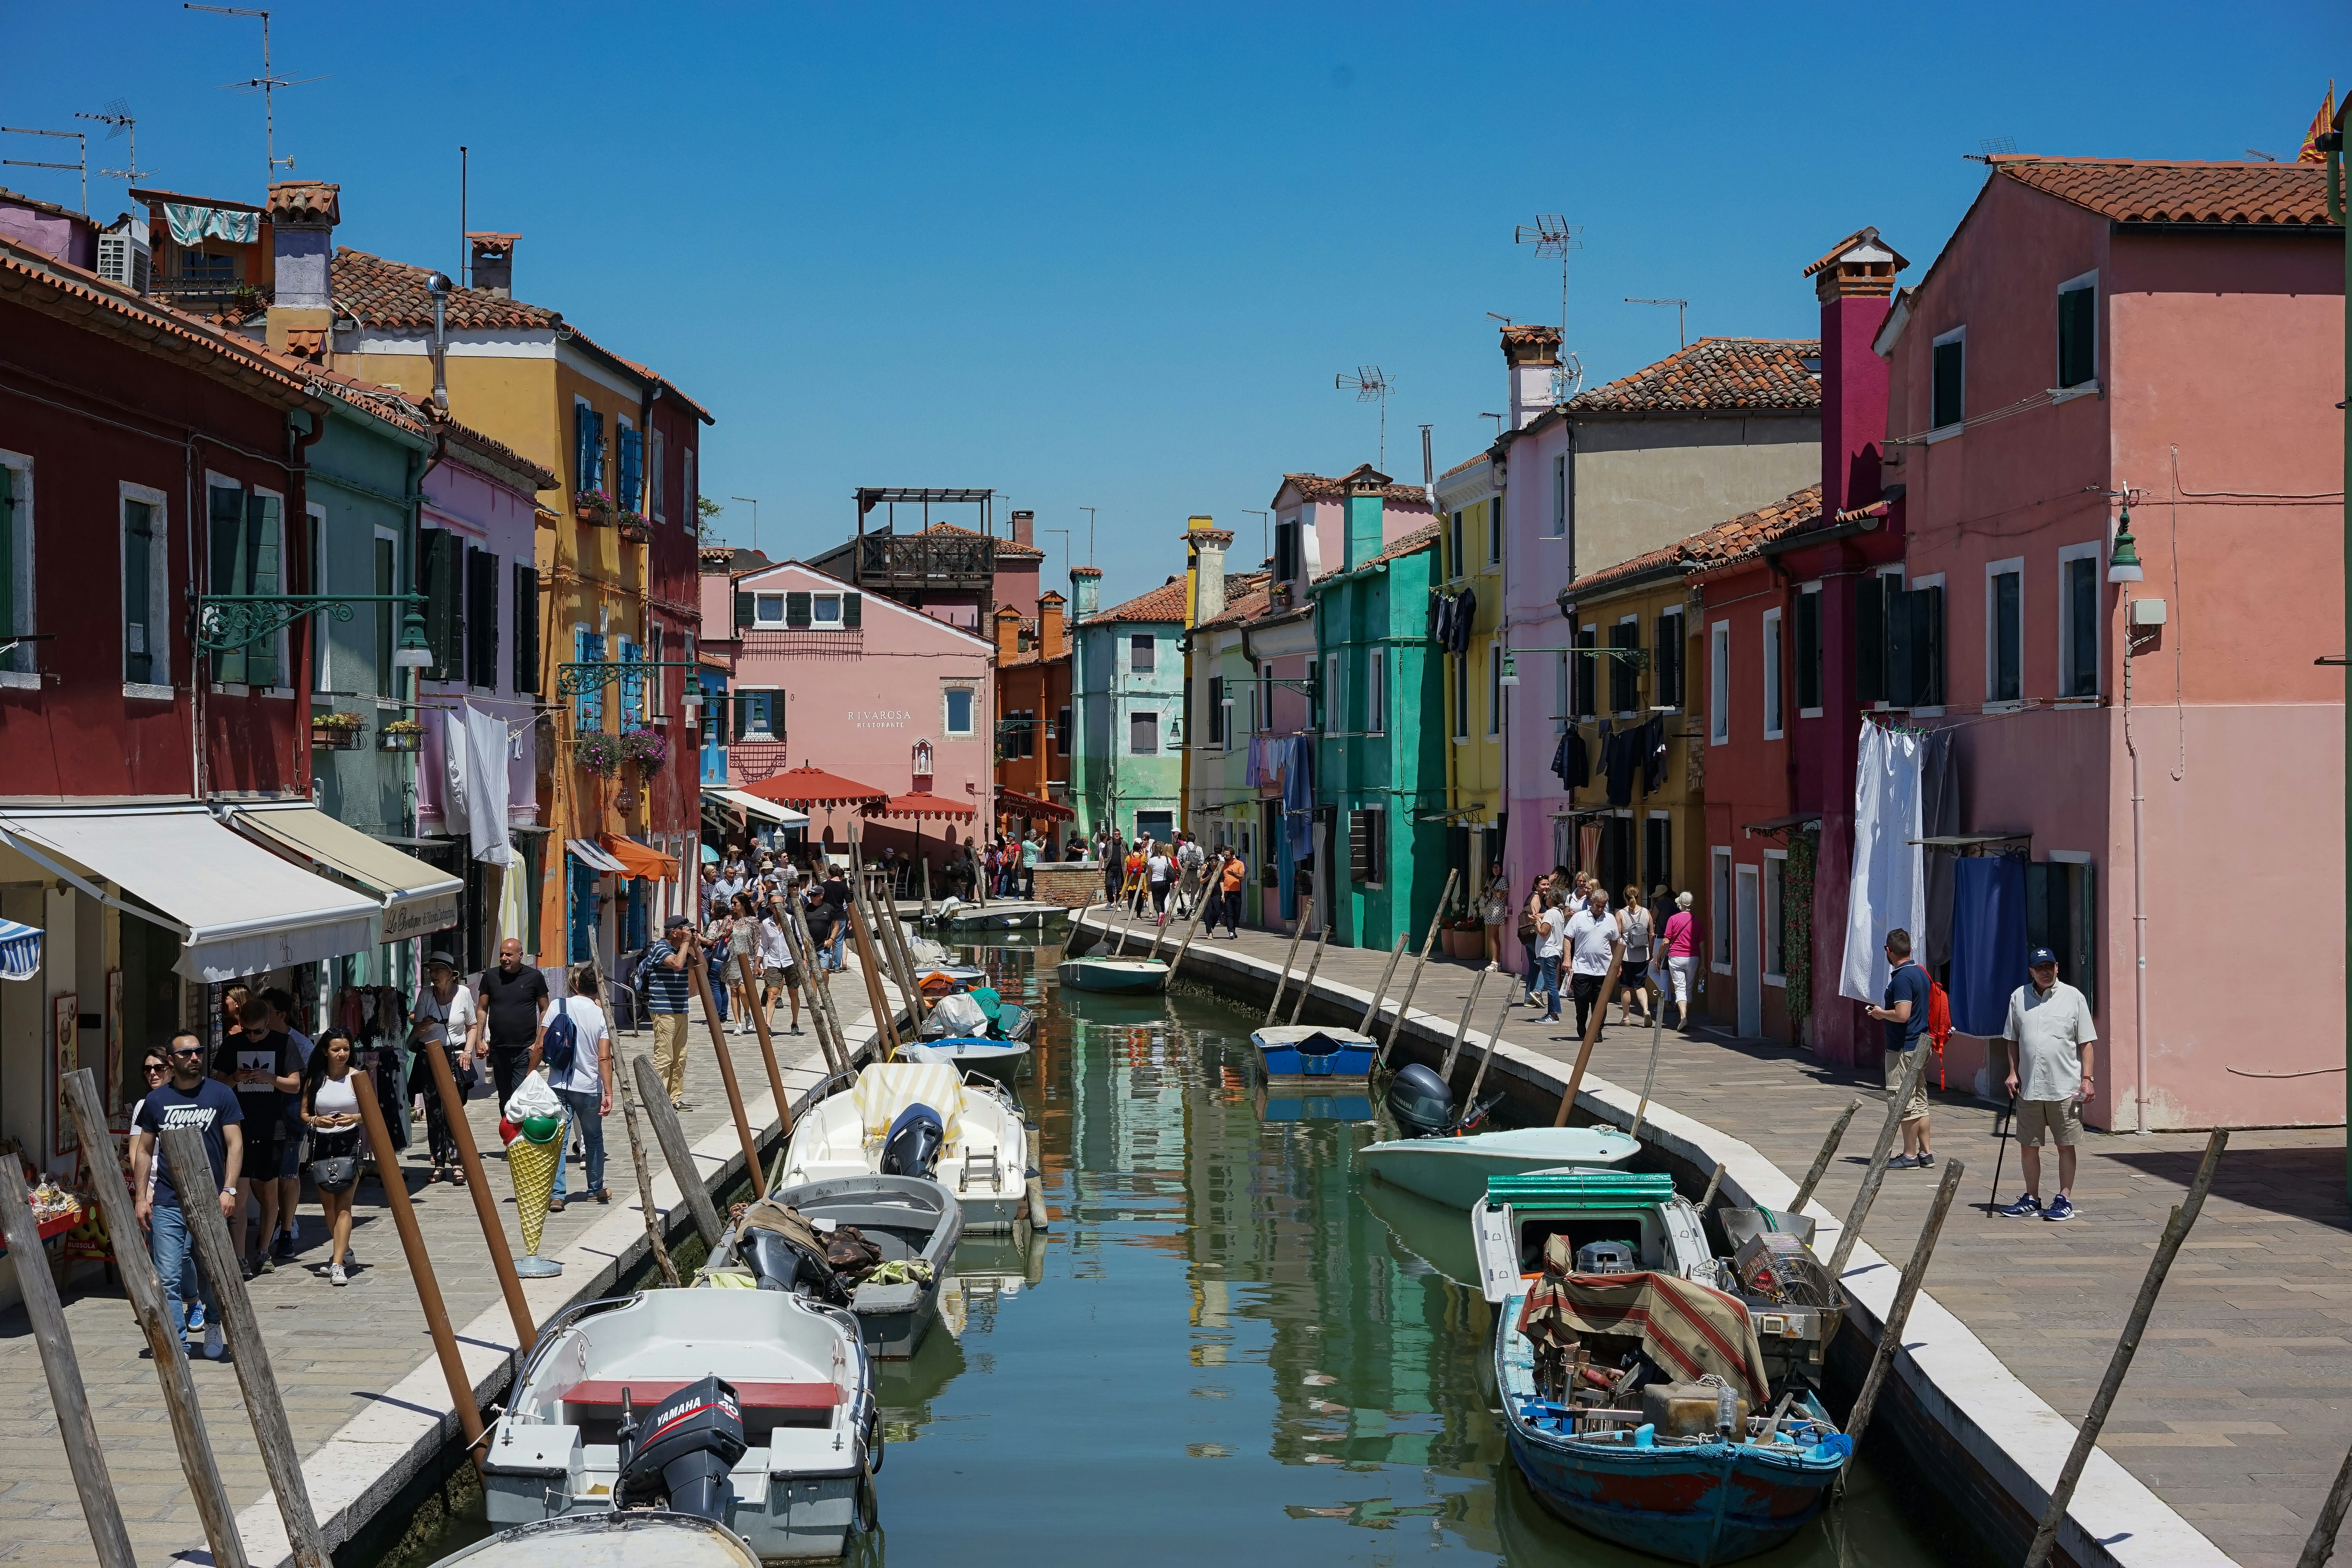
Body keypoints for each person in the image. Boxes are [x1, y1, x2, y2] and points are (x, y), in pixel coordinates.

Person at [134, 1030, 241, 1359]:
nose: (194, 1058)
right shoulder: (155, 1101)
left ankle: (212, 1323)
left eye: (198, 1052)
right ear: (172, 1061)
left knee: (212, 1269)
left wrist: (230, 1189)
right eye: (186, 1053)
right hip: (168, 1199)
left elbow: (235, 1144)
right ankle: (177, 1342)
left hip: (211, 1198)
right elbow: (142, 1151)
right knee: (167, 1275)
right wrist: (141, 1196)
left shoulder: (221, 1095)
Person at [1998, 947, 2097, 1221]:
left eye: (2048, 966)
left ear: (2057, 967)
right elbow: (2013, 1039)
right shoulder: (2018, 997)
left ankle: (2064, 1199)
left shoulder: (2074, 998)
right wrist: (2012, 1072)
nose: (2044, 971)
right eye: (2038, 967)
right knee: (2028, 1145)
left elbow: (2087, 1042)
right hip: (2030, 1087)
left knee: (2066, 1145)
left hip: (2067, 1088)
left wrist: (2087, 1080)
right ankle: (2031, 1198)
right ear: (2031, 971)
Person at [213, 1000, 298, 1277]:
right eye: (247, 1032)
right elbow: (217, 1086)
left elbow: (296, 1085)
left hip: (273, 1127)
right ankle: (239, 1256)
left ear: (268, 1022)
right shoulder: (232, 1044)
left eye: (258, 1032)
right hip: (239, 1128)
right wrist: (236, 1078)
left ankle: (263, 1251)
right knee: (238, 1191)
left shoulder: (284, 1043)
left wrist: (270, 1078)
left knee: (270, 1191)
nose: (252, 1037)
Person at [136, 1047, 205, 1333]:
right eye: (147, 1069)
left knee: (184, 1254)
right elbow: (138, 1149)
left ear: (171, 1068)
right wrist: (144, 1192)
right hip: (158, 1190)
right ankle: (176, 1329)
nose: (153, 1073)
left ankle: (194, 1301)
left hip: (192, 1189)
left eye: (158, 1068)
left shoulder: (196, 1099)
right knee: (164, 1263)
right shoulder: (146, 1105)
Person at [544, 965, 615, 1212]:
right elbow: (604, 1059)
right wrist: (609, 1092)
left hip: (558, 1084)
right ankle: (596, 1190)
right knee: (593, 1138)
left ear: (576, 985)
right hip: (588, 1087)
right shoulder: (601, 1015)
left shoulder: (557, 1006)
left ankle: (556, 1195)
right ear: (599, 989)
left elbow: (540, 1045)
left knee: (558, 1141)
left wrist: (531, 1074)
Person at [298, 1028, 365, 1285]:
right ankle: (344, 1251)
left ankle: (337, 1264)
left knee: (344, 1205)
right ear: (326, 1051)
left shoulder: (357, 1078)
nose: (342, 1054)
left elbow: (372, 1112)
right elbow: (304, 1113)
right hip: (322, 1143)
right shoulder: (315, 1080)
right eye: (336, 1049)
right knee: (328, 1205)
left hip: (350, 1143)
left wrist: (355, 1117)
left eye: (346, 1049)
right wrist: (317, 1120)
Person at [1864, 928, 1935, 1168]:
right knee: (1920, 1099)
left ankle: (1910, 1155)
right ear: (1911, 949)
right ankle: (1926, 1154)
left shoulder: (1902, 978)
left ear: (1888, 951)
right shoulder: (1921, 973)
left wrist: (1880, 1013)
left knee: (1902, 1100)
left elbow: (1903, 1015)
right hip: (1922, 1045)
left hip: (1904, 1048)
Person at [411, 951, 479, 1184]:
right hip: (430, 1055)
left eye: (438, 970)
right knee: (434, 1111)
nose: (433, 974)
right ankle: (439, 1163)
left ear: (451, 974)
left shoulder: (464, 994)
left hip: (457, 1056)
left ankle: (457, 1162)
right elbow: (417, 1031)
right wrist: (422, 1025)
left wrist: (469, 1051)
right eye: (430, 970)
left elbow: (472, 1026)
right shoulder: (426, 995)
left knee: (454, 1110)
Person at [256, 988, 313, 1263]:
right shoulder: (256, 1039)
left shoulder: (301, 1045)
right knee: (260, 1177)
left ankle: (287, 1230)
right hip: (260, 1116)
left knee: (288, 1175)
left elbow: (307, 1087)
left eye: (266, 1011)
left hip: (289, 1115)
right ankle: (272, 1222)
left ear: (280, 1014)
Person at [478, 938, 551, 1111]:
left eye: (509, 955)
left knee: (520, 1097)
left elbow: (545, 1009)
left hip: (525, 1050)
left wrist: (539, 1041)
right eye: (502, 954)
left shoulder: (535, 977)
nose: (504, 958)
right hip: (499, 1050)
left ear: (520, 955)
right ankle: (510, 1137)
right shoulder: (491, 977)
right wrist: (479, 1039)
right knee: (505, 1099)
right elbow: (482, 1008)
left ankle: (521, 1136)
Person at [642, 913, 697, 1109]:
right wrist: (686, 945)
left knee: (680, 1057)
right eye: (685, 930)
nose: (689, 932)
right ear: (674, 933)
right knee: (664, 1056)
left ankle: (674, 1098)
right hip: (663, 1009)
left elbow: (702, 969)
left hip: (681, 1008)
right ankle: (658, 1100)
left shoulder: (682, 950)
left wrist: (695, 947)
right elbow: (677, 965)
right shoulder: (660, 948)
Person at [1563, 886, 1621, 1039]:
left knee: (1601, 1002)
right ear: (1592, 902)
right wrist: (1567, 960)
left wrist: (1618, 964)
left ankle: (1597, 1030)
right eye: (1598, 905)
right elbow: (1568, 939)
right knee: (1582, 999)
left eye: (1603, 906)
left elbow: (1615, 943)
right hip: (1582, 967)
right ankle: (1581, 1023)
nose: (1600, 909)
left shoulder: (1610, 919)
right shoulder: (1579, 917)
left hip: (1604, 969)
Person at [758, 896, 804, 1034]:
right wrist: (758, 962)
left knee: (793, 993)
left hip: (791, 961)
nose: (776, 907)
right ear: (770, 906)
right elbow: (764, 944)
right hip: (773, 962)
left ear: (784, 905)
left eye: (779, 904)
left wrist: (805, 960)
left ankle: (795, 1022)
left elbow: (803, 942)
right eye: (773, 904)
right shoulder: (767, 923)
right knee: (772, 994)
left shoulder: (793, 921)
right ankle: (768, 1025)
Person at [1615, 884, 1655, 1028]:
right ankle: (1646, 1010)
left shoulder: (1620, 914)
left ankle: (1626, 1018)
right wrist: (1650, 952)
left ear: (1625, 897)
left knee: (1626, 987)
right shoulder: (1646, 912)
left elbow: (1617, 936)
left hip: (1626, 955)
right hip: (1642, 954)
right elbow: (1652, 934)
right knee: (1640, 986)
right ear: (1638, 897)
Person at [1662, 891, 1700, 1033]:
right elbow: (1702, 944)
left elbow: (1666, 940)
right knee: (1688, 988)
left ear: (1680, 905)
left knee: (1680, 988)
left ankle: (1683, 1017)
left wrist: (1659, 955)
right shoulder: (1697, 921)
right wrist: (1703, 964)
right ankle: (1685, 1017)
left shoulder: (1673, 919)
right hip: (1693, 957)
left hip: (1676, 957)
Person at [1517, 871, 1553, 1004]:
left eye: (1548, 884)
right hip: (1534, 936)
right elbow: (1536, 916)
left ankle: (1528, 999)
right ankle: (1537, 992)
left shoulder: (1534, 896)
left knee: (1534, 966)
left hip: (1527, 936)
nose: (1546, 887)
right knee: (1547, 963)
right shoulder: (1537, 897)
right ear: (1536, 886)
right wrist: (1552, 913)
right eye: (1543, 885)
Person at [1534, 889, 1569, 1023]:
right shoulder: (1560, 914)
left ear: (1551, 900)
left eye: (1547, 897)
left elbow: (1544, 932)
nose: (1545, 899)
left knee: (1551, 985)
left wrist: (1537, 922)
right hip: (1555, 952)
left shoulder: (1550, 914)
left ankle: (1554, 1015)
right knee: (1551, 984)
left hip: (1548, 952)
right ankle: (1551, 1012)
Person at [1479, 863, 1511, 971]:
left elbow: (1499, 895)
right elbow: (1493, 896)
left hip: (1498, 910)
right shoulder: (1494, 880)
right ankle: (1497, 961)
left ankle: (1494, 962)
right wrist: (1486, 896)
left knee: (1491, 936)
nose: (1496, 870)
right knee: (1494, 936)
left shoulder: (1502, 880)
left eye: (1498, 868)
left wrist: (1490, 887)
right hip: (1492, 909)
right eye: (1494, 868)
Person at [1146, 841, 1175, 920]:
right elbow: (1172, 871)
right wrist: (1174, 881)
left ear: (1154, 850)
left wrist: (1149, 882)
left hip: (1156, 882)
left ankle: (1160, 913)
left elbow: (1149, 873)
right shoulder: (1167, 859)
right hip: (1165, 882)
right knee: (1162, 901)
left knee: (1156, 902)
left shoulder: (1151, 861)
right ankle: (1161, 918)